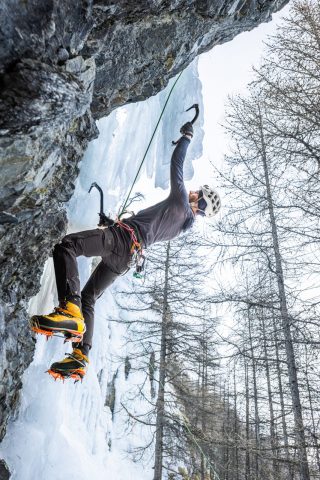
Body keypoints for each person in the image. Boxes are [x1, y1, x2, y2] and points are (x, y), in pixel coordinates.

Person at [30, 121, 221, 381]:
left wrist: (186, 136)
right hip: (126, 257)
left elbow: (177, 165)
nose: (192, 190)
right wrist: (111, 225)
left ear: (199, 201)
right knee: (90, 297)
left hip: (120, 240)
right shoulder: (180, 226)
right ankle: (81, 355)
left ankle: (68, 309)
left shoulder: (180, 204)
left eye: (198, 191)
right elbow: (146, 228)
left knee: (67, 246)